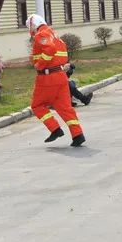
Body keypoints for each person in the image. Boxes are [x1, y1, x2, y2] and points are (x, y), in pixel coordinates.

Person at [27, 14, 85, 147]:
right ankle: (78, 135)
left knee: (37, 106)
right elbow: (61, 55)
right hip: (60, 76)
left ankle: (55, 129)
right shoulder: (55, 35)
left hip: (47, 78)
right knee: (65, 108)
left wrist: (39, 64)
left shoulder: (42, 34)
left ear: (33, 25)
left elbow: (50, 49)